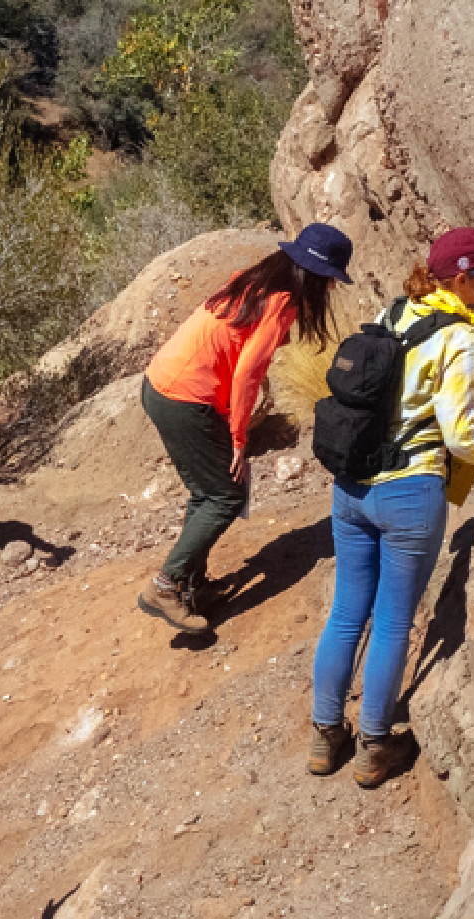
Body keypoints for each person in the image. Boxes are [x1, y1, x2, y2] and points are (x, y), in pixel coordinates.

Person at [308, 228, 474, 787]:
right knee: (390, 621)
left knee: (345, 613)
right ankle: (374, 746)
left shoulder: (396, 312)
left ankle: (324, 735)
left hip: (351, 487)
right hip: (410, 493)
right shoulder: (459, 337)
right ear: (462, 280)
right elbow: (462, 439)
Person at [137, 223, 353, 633]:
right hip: (186, 398)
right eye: (329, 282)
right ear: (314, 275)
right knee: (226, 494)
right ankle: (165, 585)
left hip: (161, 385)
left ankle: (191, 585)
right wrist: (239, 439)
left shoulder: (251, 281)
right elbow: (247, 374)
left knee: (208, 491)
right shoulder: (282, 301)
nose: (330, 291)